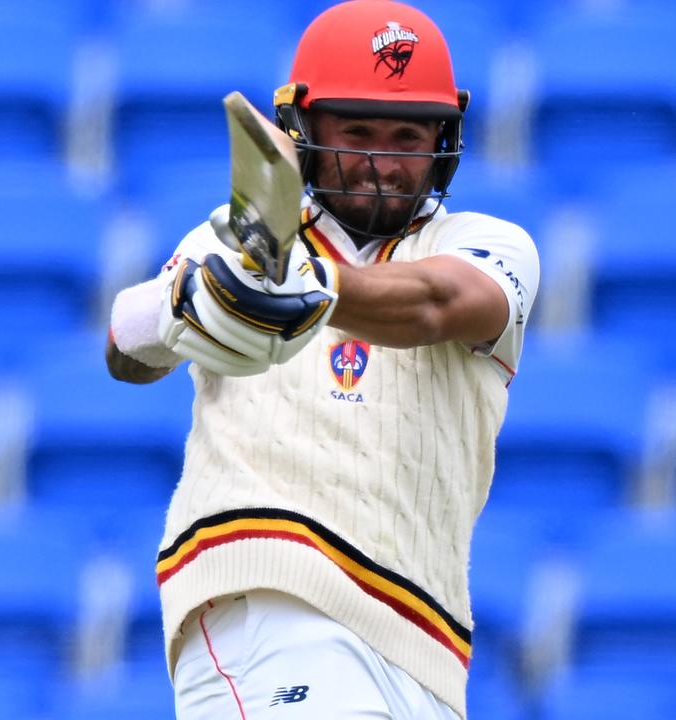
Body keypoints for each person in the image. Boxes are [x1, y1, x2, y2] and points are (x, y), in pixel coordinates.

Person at [104, 1, 539, 718]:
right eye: (357, 131)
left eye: (406, 135)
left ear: (445, 140)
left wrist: (304, 285)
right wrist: (185, 302)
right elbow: (125, 350)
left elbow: (438, 305)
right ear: (302, 132)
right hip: (267, 591)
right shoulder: (236, 243)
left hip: (423, 640)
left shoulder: (492, 243)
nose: (380, 163)